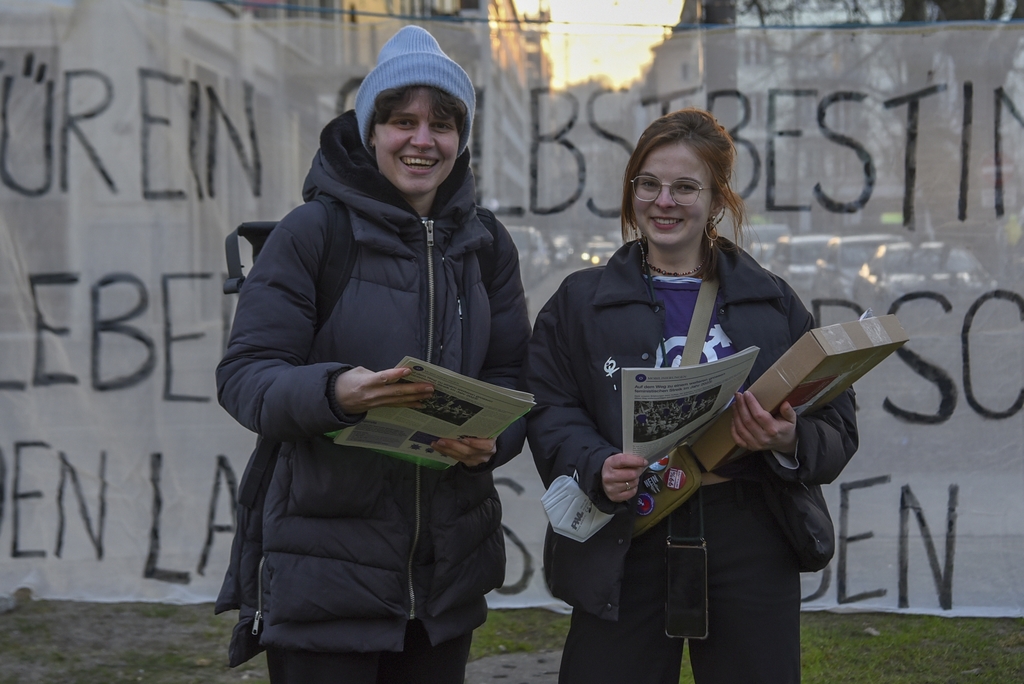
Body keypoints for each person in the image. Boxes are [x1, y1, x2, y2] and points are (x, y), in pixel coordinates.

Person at [215, 25, 531, 684]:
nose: (423, 139)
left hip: (443, 583)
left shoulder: (486, 244)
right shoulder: (312, 233)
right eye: (402, 121)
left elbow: (512, 378)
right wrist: (337, 394)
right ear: (370, 130)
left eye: (442, 124)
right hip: (324, 578)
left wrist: (492, 441)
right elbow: (245, 377)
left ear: (460, 138)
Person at [520, 108, 858, 684]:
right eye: (648, 184)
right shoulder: (580, 302)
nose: (664, 201)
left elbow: (838, 427)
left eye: (684, 187)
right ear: (631, 193)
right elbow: (550, 408)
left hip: (750, 535)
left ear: (717, 199)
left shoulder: (771, 302)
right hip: (629, 532)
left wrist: (787, 438)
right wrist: (595, 464)